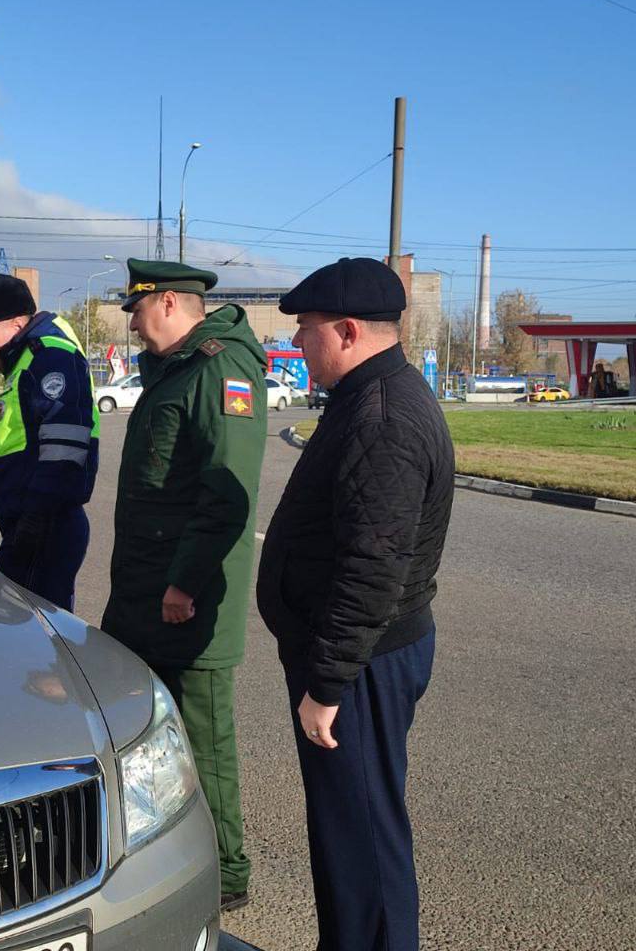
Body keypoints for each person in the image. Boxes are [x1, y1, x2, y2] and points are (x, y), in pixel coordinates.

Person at [257, 257, 455, 951]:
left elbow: (373, 567)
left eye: (305, 331)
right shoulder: (371, 395)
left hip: (360, 665)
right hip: (360, 658)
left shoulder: (380, 416)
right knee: (351, 832)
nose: (298, 345)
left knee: (363, 839)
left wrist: (327, 683)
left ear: (345, 331)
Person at [100, 258, 267, 912]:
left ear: (168, 302)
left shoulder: (221, 371)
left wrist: (184, 584)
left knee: (203, 736)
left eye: (137, 310)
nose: (133, 325)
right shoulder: (177, 372)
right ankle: (158, 849)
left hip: (188, 600)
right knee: (144, 732)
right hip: (146, 590)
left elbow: (228, 496)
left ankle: (226, 873)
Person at [0, 273, 99, 610]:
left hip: (44, 530)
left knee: (33, 644)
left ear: (17, 325)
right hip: (29, 528)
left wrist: (33, 528)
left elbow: (63, 453)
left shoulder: (50, 358)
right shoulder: (25, 360)